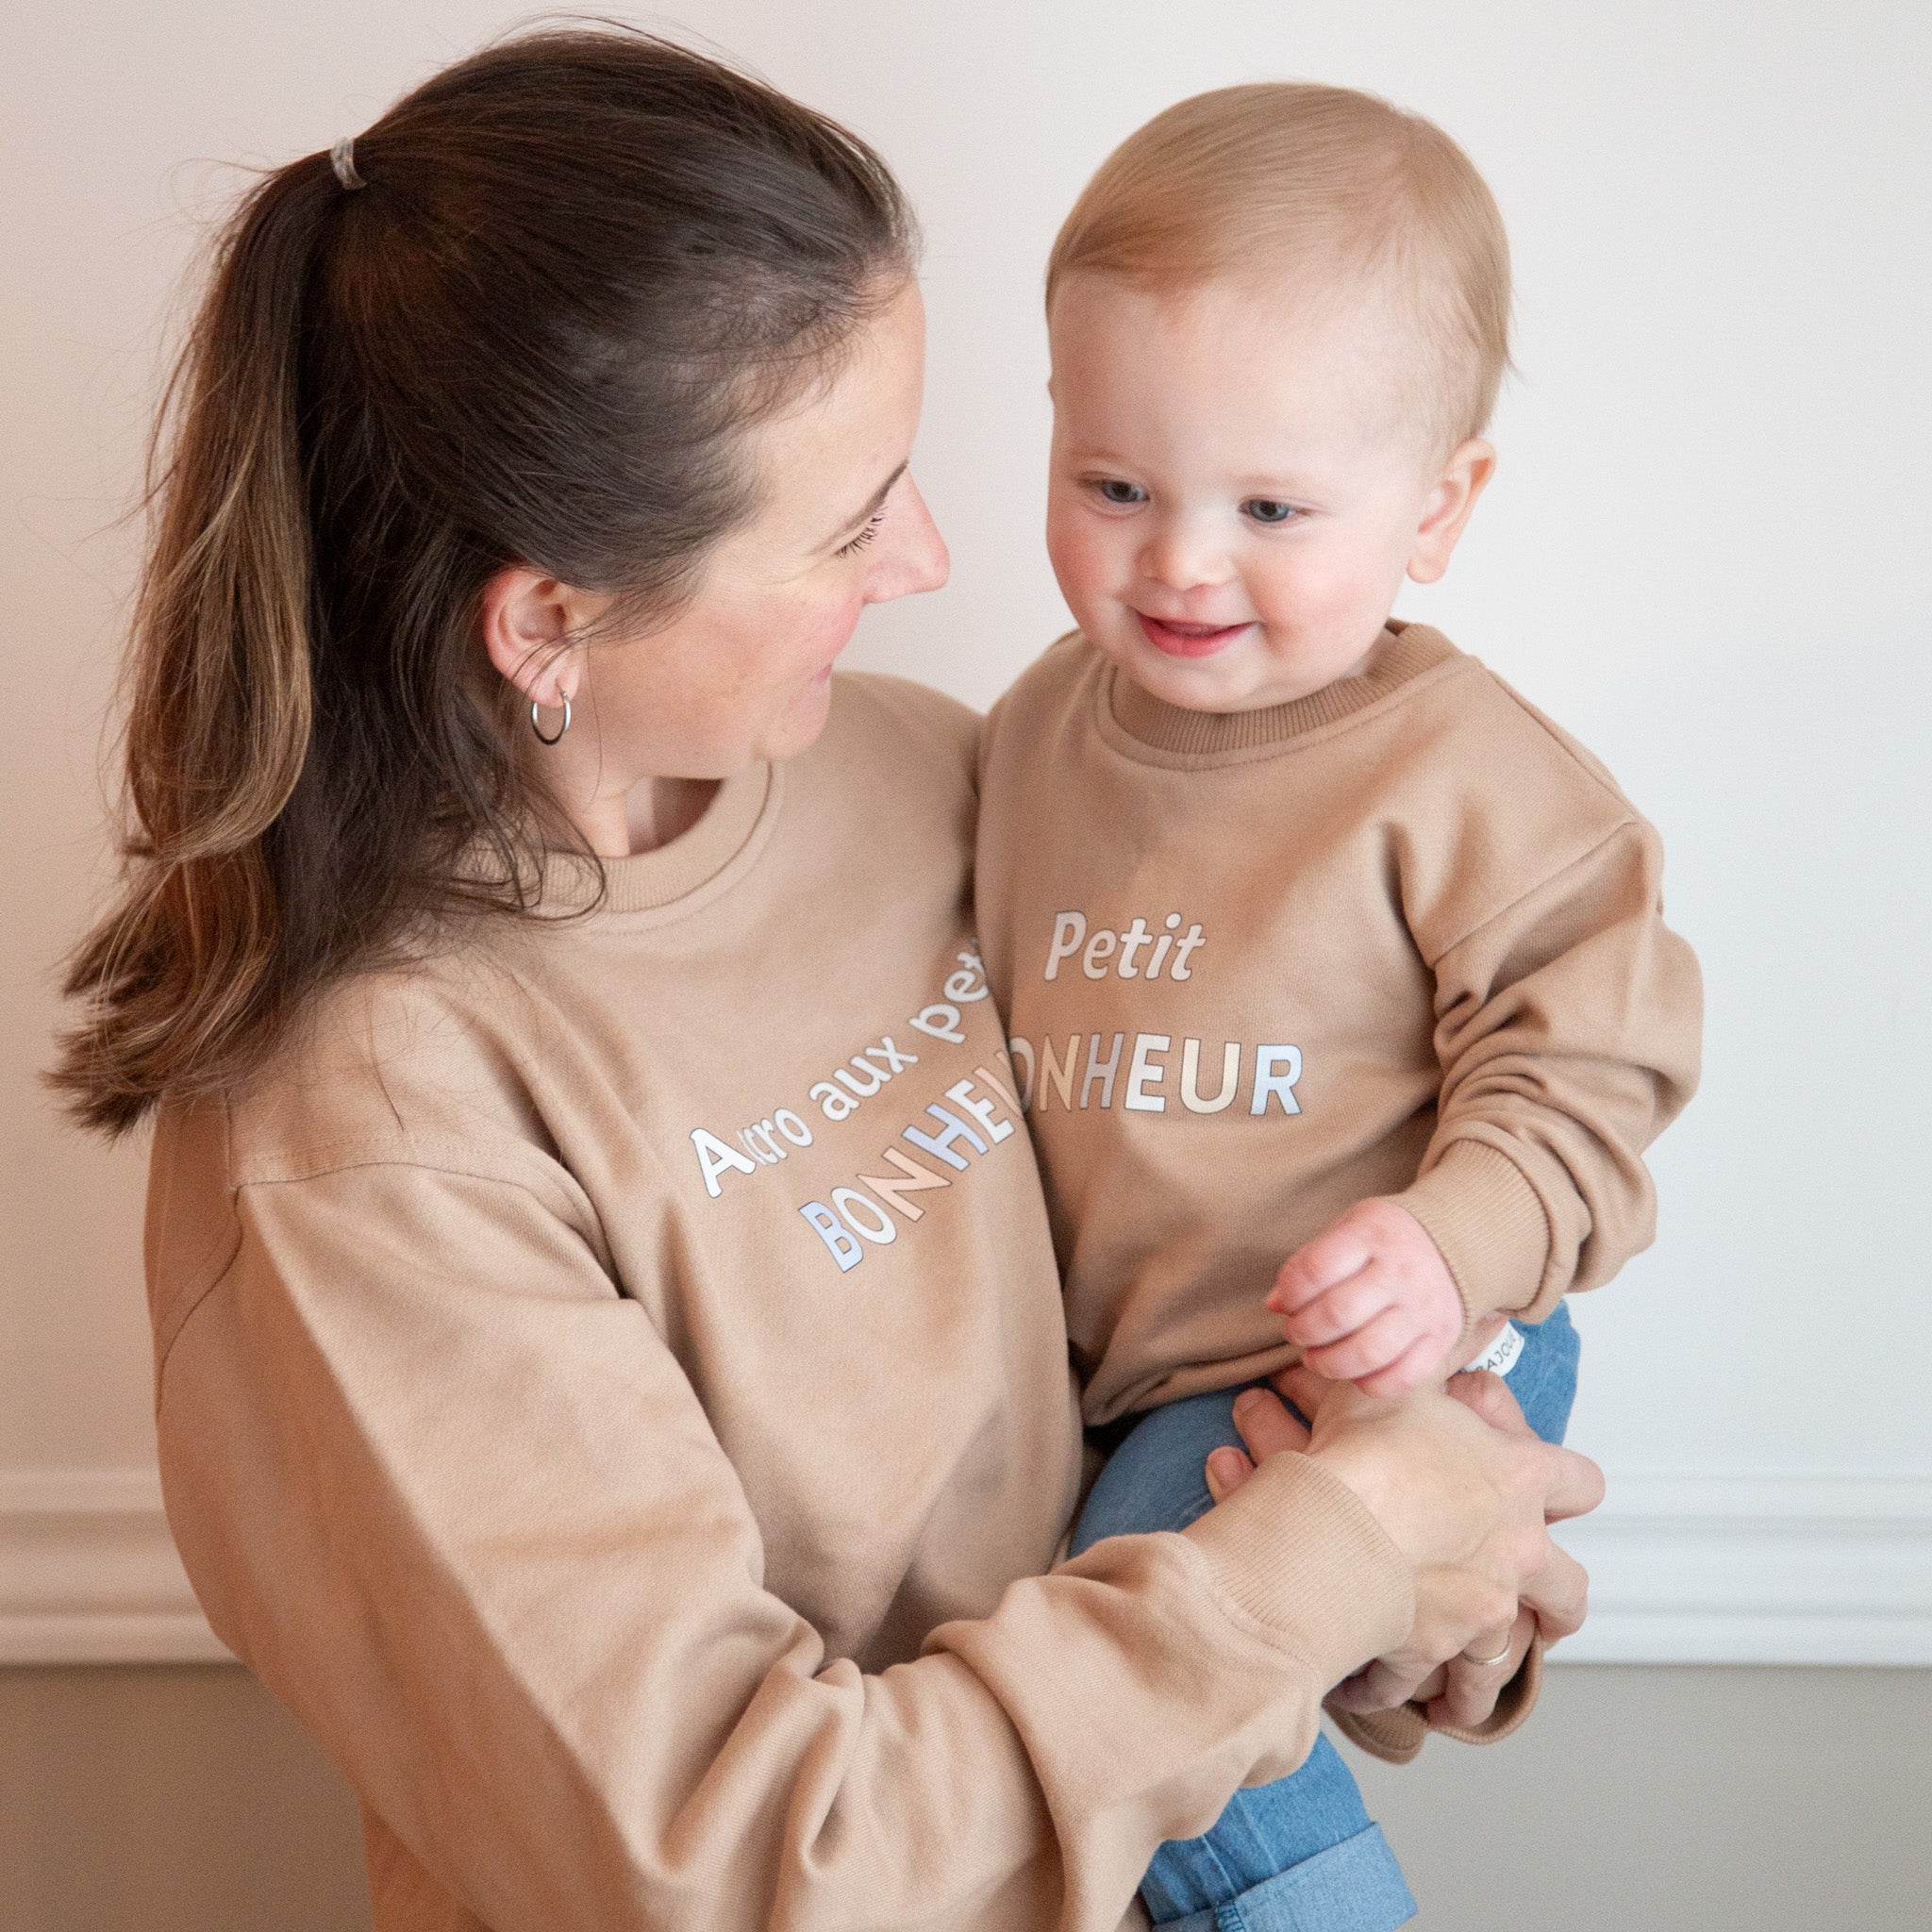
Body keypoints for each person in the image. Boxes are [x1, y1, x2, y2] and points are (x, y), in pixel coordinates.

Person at [53, 32, 1601, 1932]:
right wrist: (1336, 1555)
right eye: (852, 515)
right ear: (549, 615)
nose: (934, 556)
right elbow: (748, 1863)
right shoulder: (364, 1142)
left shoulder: (924, 776)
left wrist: (1432, 1567)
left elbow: (1166, 1361)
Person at [975, 83, 1703, 1929]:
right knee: (1095, 1662)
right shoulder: (1026, 737)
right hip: (1132, 1372)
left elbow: (1587, 1082)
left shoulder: (1471, 780)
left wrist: (1443, 1250)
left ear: (1437, 506)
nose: (1179, 559)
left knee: (1141, 1623)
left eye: (1270, 506)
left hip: (1395, 1339)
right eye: (1112, 485)